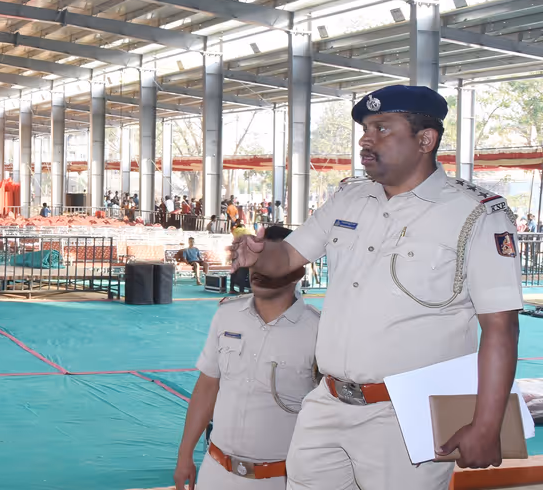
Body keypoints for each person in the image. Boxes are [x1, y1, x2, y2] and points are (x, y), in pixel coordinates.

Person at [233, 85, 523, 488]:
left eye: (382, 128)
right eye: (365, 129)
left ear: (425, 140)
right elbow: (287, 258)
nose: (366, 140)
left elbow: (501, 327)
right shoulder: (349, 198)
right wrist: (258, 255)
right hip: (327, 403)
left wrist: (487, 425)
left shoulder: (475, 214)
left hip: (406, 414)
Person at [175, 225, 318, 489]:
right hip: (216, 472)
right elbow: (207, 386)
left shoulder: (318, 331)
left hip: (280, 480)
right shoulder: (227, 315)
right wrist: (185, 455)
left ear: (297, 270)